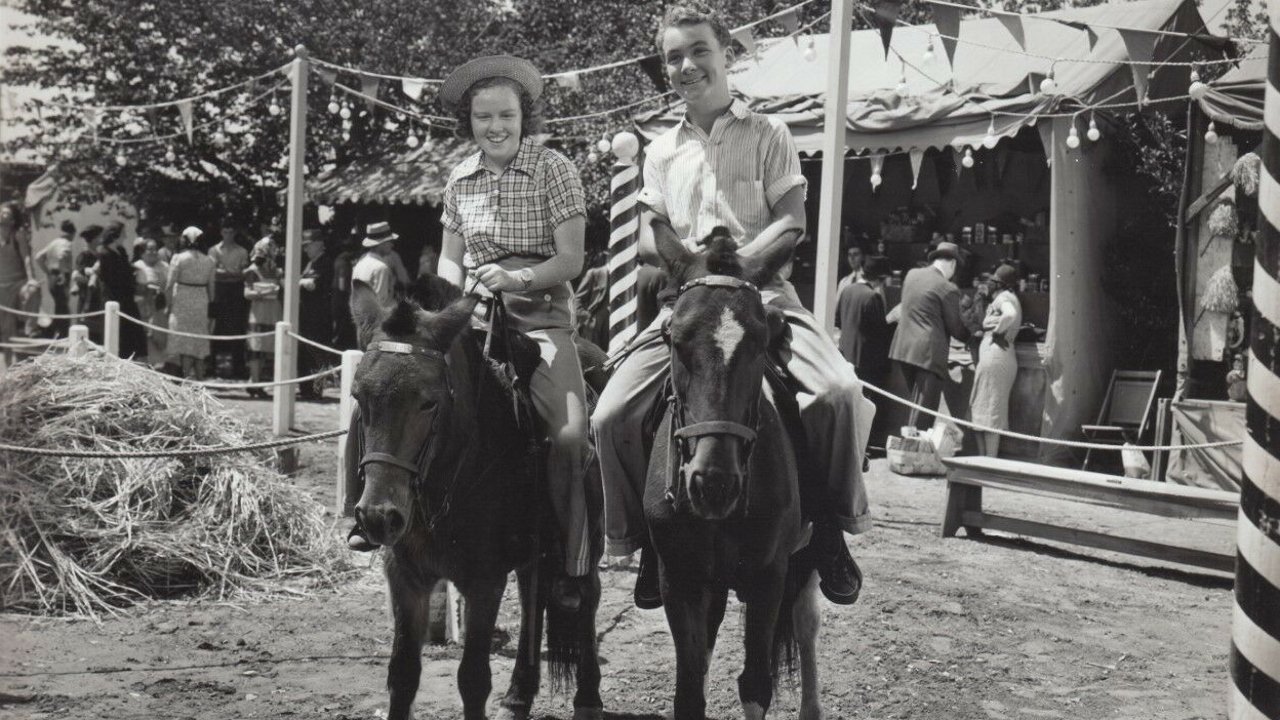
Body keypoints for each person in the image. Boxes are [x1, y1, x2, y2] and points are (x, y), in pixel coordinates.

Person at [592, 3, 874, 609]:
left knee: (839, 394)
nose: (686, 65)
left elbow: (792, 221)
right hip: (688, 306)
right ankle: (641, 541)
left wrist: (738, 266)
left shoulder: (770, 134)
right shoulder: (661, 150)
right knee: (609, 416)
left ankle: (831, 528)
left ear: (725, 54)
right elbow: (650, 231)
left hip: (762, 297)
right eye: (673, 56)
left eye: (698, 50)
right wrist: (694, 265)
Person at [346, 55, 594, 613]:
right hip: (470, 317)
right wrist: (446, 307)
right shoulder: (460, 176)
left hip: (541, 315)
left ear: (523, 116)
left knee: (571, 435)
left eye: (506, 114)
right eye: (484, 116)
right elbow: (453, 262)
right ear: (471, 121)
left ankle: (570, 559)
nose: (495, 126)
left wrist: (516, 277)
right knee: (385, 391)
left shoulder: (555, 169)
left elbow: (572, 258)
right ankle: (363, 514)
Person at [888, 241, 970, 431]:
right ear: (952, 264)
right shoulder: (947, 288)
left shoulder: (911, 275)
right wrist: (972, 336)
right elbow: (956, 327)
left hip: (904, 350)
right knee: (925, 413)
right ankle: (914, 456)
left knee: (917, 407)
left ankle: (910, 451)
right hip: (928, 355)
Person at [835, 255, 892, 451]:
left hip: (846, 356)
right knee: (868, 405)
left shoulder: (847, 291)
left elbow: (838, 322)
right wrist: (892, 319)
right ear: (879, 279)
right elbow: (881, 332)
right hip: (868, 360)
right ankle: (864, 445)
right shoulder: (872, 297)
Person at [969, 263, 1022, 457]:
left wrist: (998, 331)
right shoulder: (1009, 297)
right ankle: (985, 459)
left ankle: (989, 460)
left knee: (989, 411)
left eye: (994, 281)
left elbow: (1010, 314)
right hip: (998, 358)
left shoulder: (1004, 298)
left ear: (1000, 284)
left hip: (996, 356)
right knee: (985, 409)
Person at [166, 227, 216, 380]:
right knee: (198, 339)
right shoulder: (209, 261)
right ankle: (200, 378)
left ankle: (186, 377)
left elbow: (169, 285)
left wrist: (169, 306)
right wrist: (210, 308)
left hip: (183, 300)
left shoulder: (178, 258)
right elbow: (212, 289)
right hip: (201, 300)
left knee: (185, 340)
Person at [97, 221, 147, 359]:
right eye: (123, 233)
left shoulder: (121, 251)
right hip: (114, 298)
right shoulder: (104, 253)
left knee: (133, 334)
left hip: (127, 299)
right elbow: (108, 278)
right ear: (115, 235)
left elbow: (126, 269)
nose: (125, 236)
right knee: (118, 334)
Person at [208, 217, 250, 377]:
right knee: (216, 328)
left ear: (235, 233)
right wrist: (233, 274)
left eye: (231, 232)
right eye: (225, 232)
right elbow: (214, 272)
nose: (228, 235)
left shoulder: (242, 251)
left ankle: (238, 368)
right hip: (219, 292)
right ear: (221, 232)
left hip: (236, 293)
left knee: (237, 329)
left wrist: (228, 273)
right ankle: (212, 367)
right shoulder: (214, 250)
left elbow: (243, 274)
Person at [243, 237, 282, 399]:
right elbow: (247, 293)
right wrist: (264, 292)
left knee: (265, 350)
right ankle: (255, 382)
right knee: (255, 349)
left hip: (273, 313)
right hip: (258, 312)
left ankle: (255, 381)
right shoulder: (252, 271)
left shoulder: (276, 270)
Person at [298, 229, 334, 400]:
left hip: (319, 316)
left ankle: (316, 389)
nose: (305, 250)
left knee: (317, 353)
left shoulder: (325, 262)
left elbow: (314, 284)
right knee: (306, 352)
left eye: (308, 246)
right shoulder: (310, 263)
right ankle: (306, 388)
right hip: (307, 315)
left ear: (319, 244)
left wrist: (297, 281)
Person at [0, 203, 39, 345]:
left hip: (18, 284)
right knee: (7, 334)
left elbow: (26, 258)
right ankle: (9, 365)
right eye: (1, 212)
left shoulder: (18, 234)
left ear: (12, 220)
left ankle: (30, 327)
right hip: (1, 289)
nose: (1, 214)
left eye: (6, 213)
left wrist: (31, 279)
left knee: (34, 290)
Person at [132, 238, 170, 369]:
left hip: (161, 308)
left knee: (161, 337)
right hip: (144, 308)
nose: (153, 252)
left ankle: (161, 367)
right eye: (150, 249)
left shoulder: (165, 266)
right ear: (142, 252)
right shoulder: (137, 266)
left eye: (155, 249)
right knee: (146, 337)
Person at [350, 222, 405, 311]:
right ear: (381, 244)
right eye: (389, 241)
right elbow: (381, 303)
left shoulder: (360, 263)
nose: (392, 245)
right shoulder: (381, 268)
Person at [35, 219, 76, 337]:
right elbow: (62, 256)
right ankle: (62, 333)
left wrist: (47, 272)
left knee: (59, 305)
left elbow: (38, 257)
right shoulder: (66, 243)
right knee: (63, 306)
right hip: (61, 276)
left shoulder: (54, 242)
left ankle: (54, 332)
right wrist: (63, 275)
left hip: (52, 276)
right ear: (72, 233)